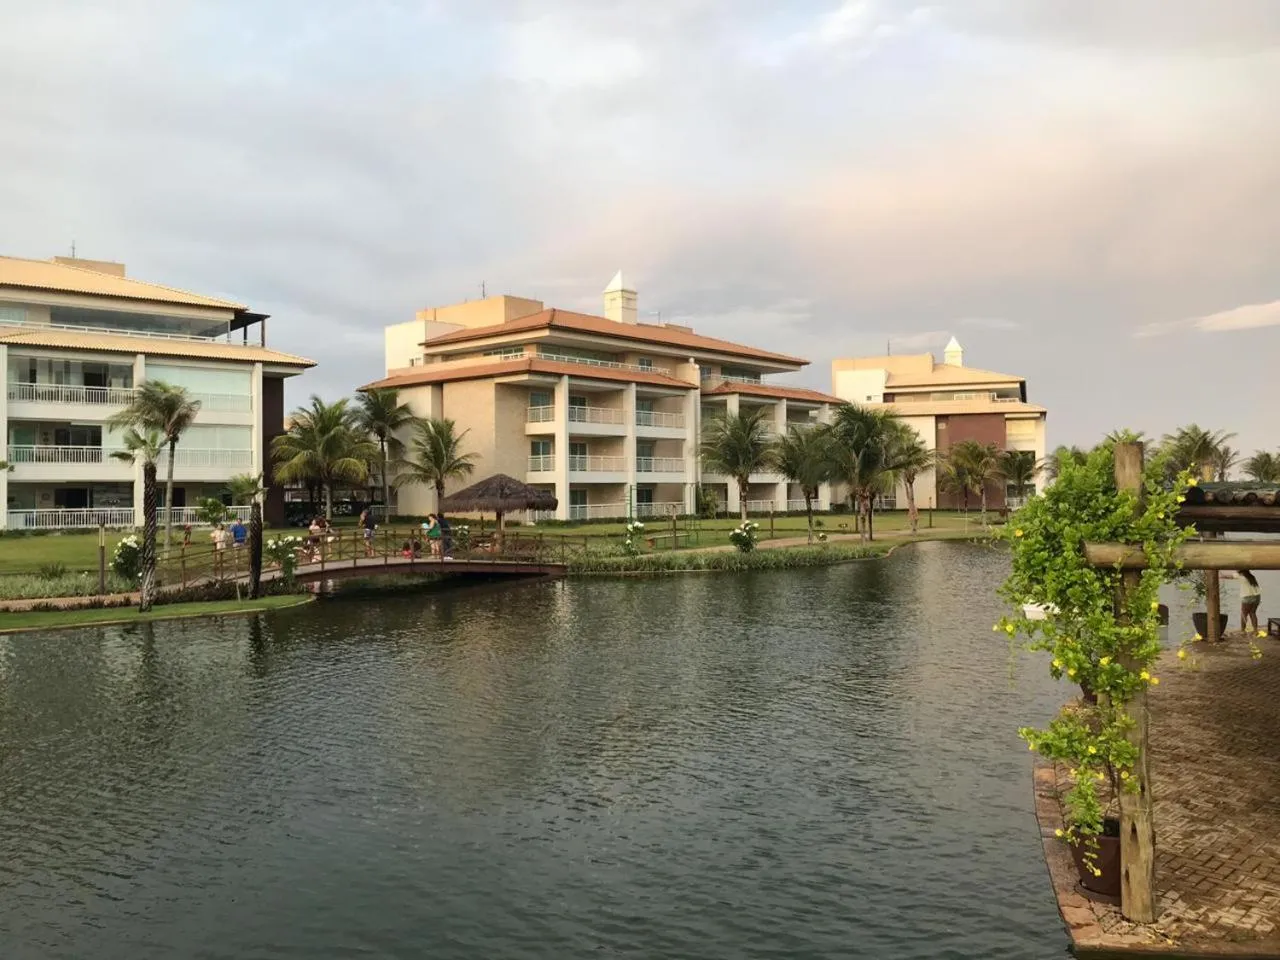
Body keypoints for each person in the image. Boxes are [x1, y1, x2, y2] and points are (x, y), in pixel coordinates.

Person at [1238, 570, 1261, 634]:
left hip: (1248, 597)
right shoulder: (1252, 577)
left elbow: (1228, 576)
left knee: (1244, 614)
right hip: (1257, 596)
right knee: (1252, 613)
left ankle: (1243, 631)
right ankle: (1255, 630)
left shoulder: (1241, 577)